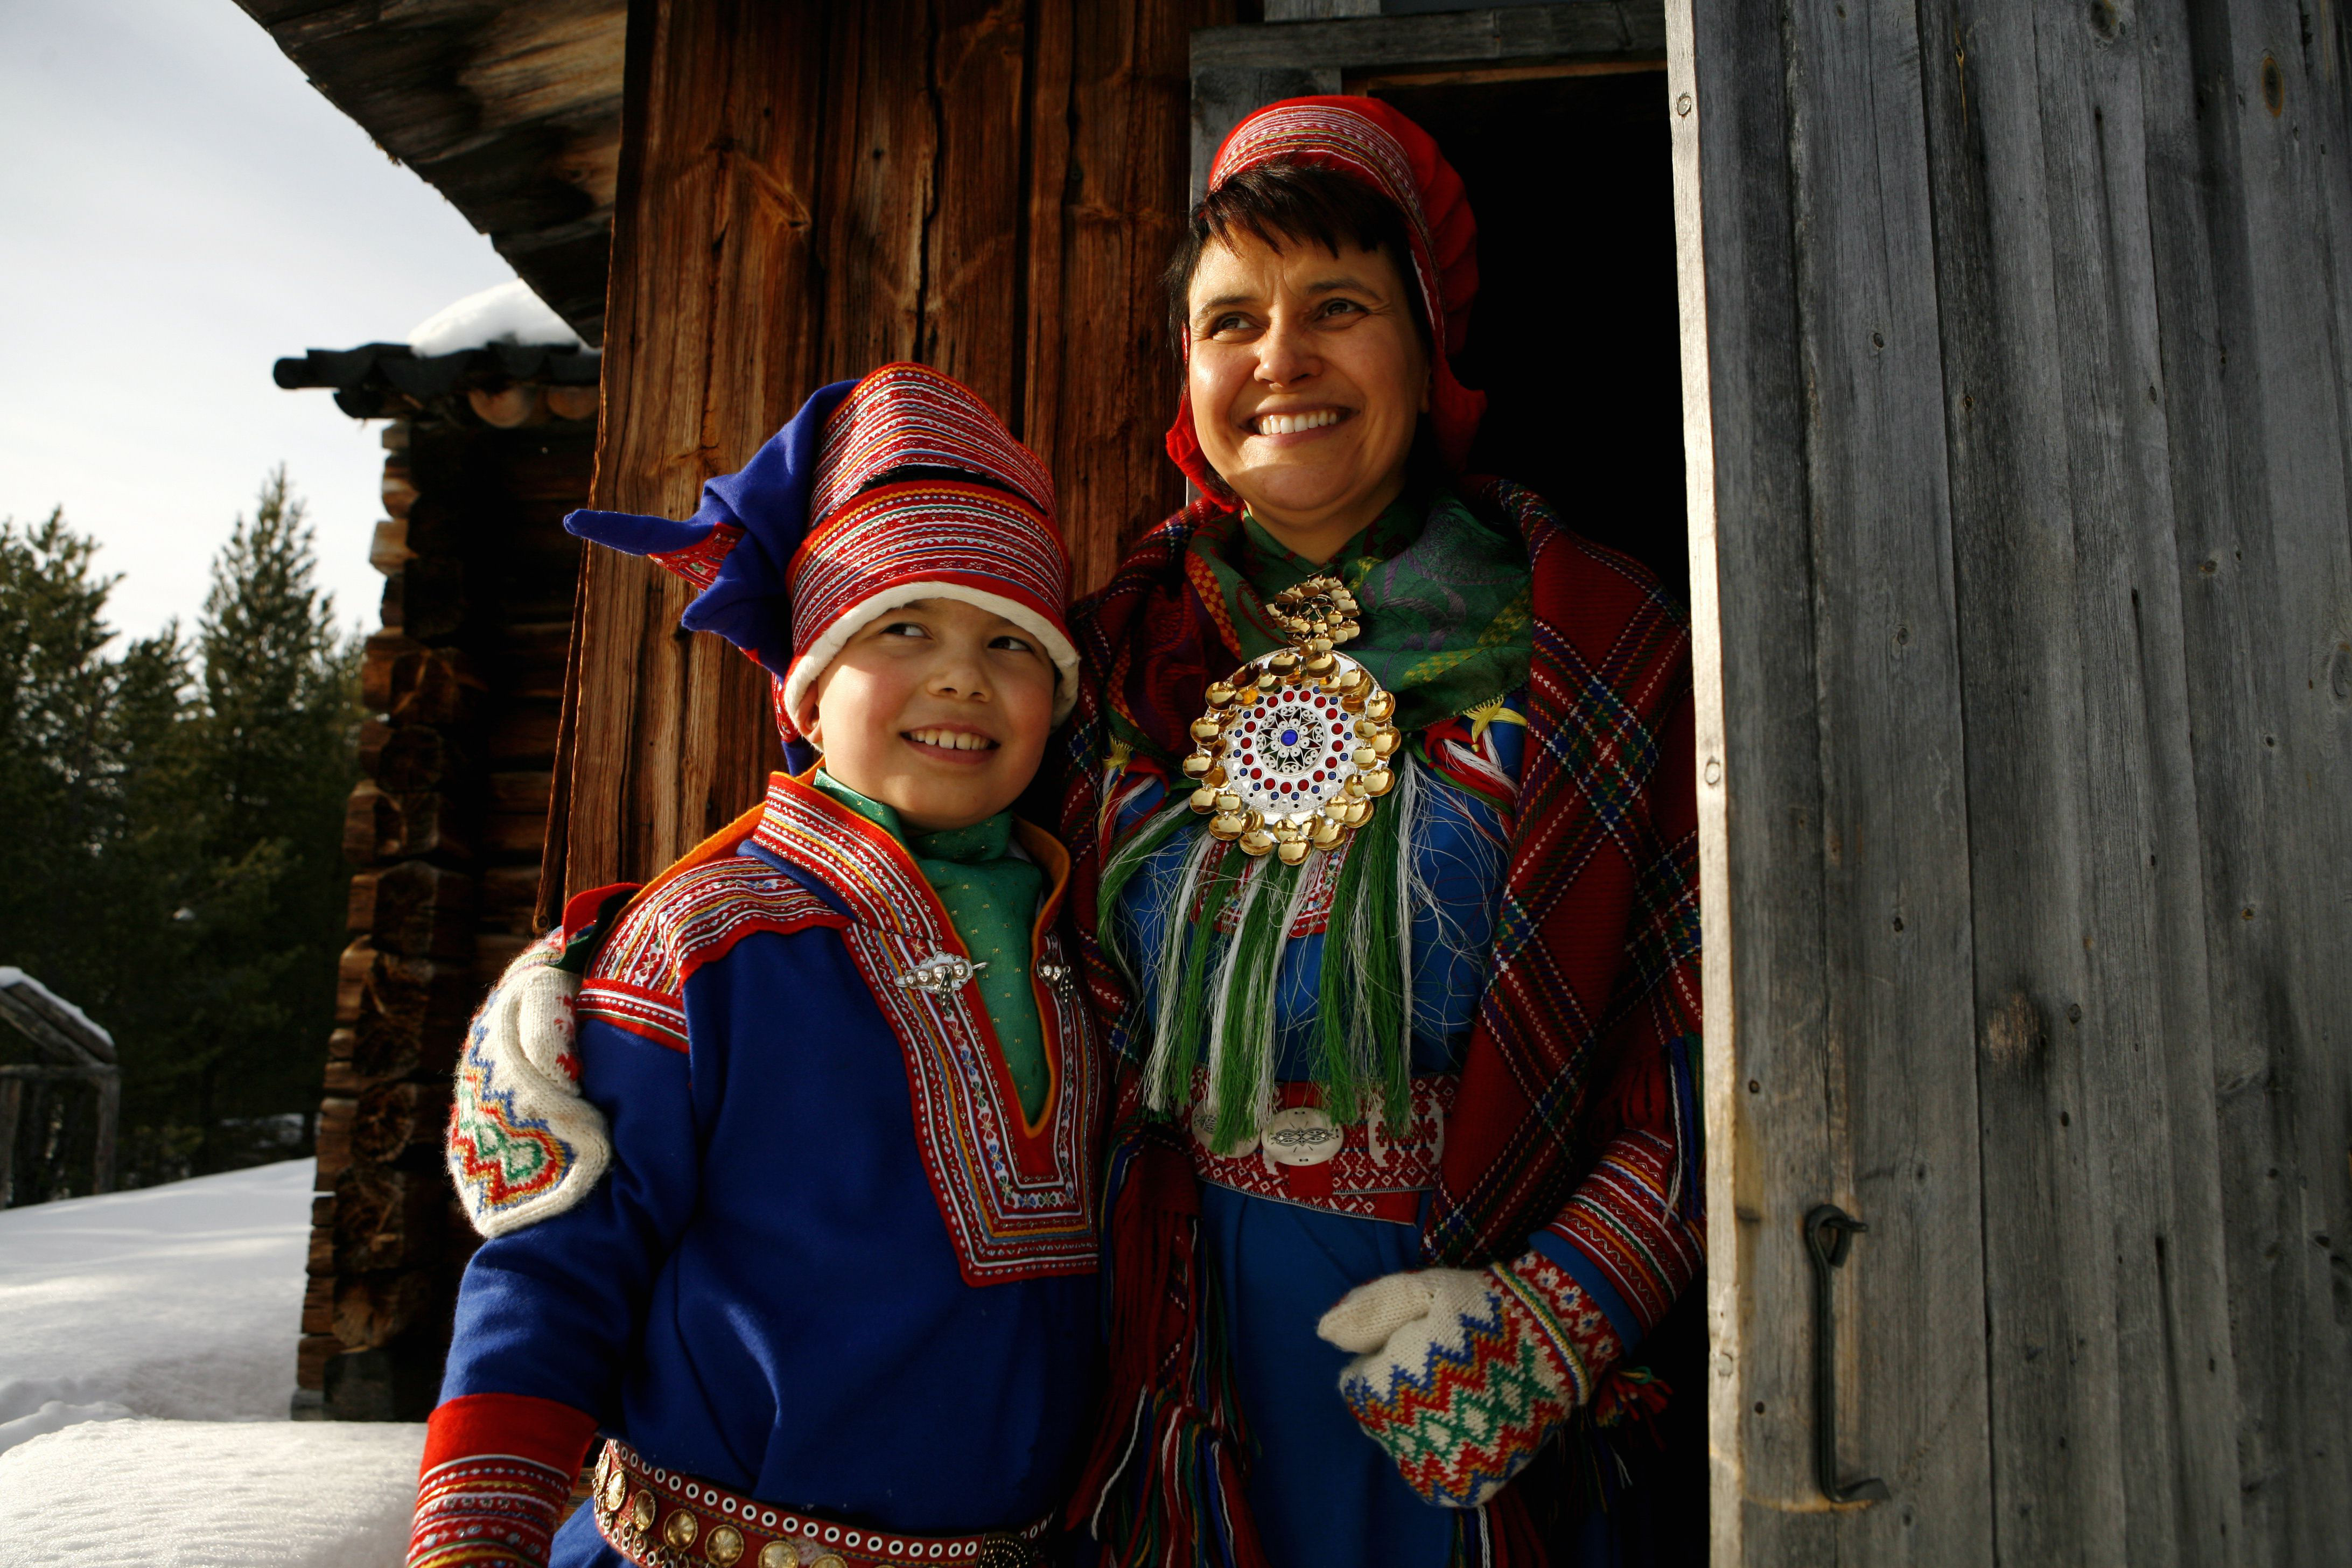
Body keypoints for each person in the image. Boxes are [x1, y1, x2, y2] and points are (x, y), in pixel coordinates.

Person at [1056, 99, 1704, 1567]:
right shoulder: (1099, 655)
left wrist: (1559, 1313)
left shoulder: (1593, 646)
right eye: (1232, 323)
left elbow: (1714, 1040)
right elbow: (913, 875)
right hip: (1168, 1349)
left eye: (1335, 307)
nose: (1279, 358)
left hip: (1472, 1346)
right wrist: (611, 977)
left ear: (1427, 348)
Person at [411, 363, 1102, 1568]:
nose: (962, 676)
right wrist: (477, 1535)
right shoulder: (705, 938)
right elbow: (561, 1261)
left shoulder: (1091, 949)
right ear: (808, 682)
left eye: (1012, 642)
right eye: (902, 627)